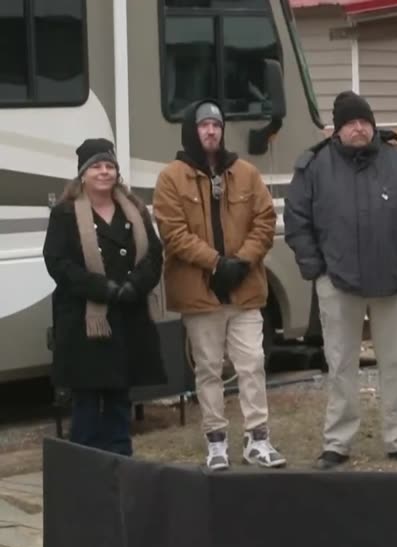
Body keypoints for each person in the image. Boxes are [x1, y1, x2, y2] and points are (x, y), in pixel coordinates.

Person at [285, 90, 397, 470]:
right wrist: (315, 269)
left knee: (396, 364)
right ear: (336, 129)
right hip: (338, 283)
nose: (359, 128)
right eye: (351, 122)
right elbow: (297, 220)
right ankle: (337, 442)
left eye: (364, 122)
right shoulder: (314, 166)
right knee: (340, 365)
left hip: (394, 282)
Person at [153, 100, 286, 470]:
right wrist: (215, 263)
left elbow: (265, 219)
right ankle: (216, 442)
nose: (211, 131)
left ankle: (258, 439)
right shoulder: (171, 178)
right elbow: (172, 231)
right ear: (191, 131)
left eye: (216, 125)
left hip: (244, 290)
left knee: (253, 363)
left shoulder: (246, 173)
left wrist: (241, 261)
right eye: (203, 125)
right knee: (209, 368)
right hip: (200, 293)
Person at [43, 139, 167, 456]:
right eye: (96, 166)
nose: (104, 172)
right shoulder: (64, 214)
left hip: (127, 318)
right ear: (83, 175)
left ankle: (121, 467)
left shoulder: (136, 210)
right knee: (85, 405)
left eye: (109, 166)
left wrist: (134, 286)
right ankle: (84, 476)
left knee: (118, 401)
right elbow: (58, 263)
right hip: (86, 324)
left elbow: (154, 255)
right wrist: (103, 288)